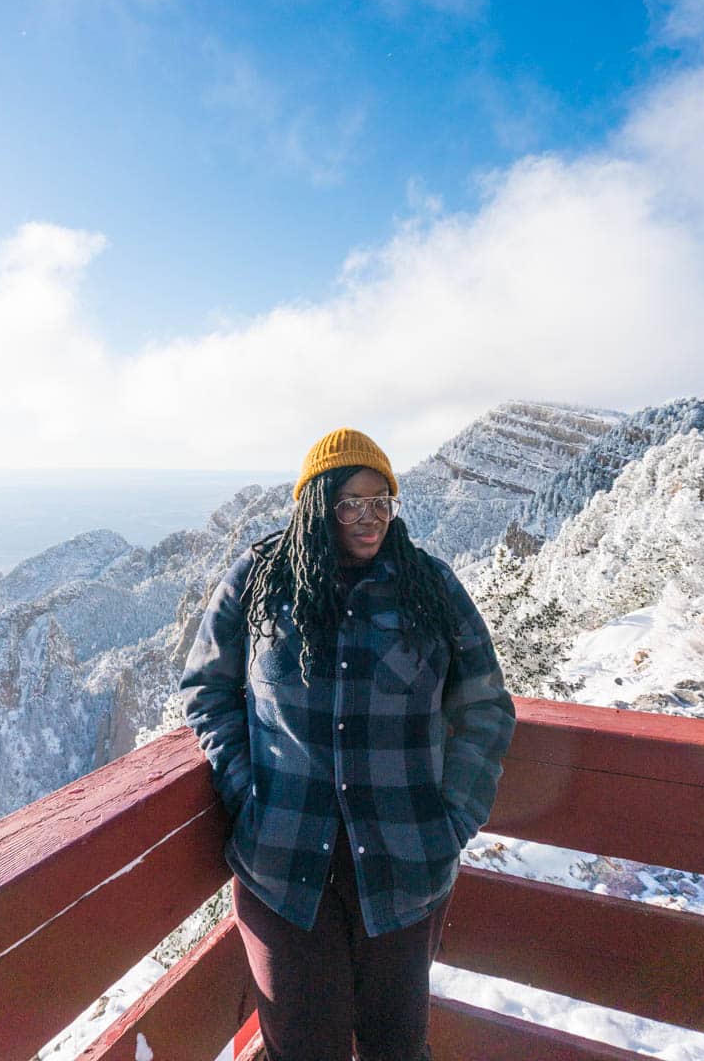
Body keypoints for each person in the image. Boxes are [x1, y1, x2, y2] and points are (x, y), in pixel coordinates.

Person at [180, 428, 516, 1061]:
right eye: (349, 504)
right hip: (282, 868)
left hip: (403, 866)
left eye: (381, 503)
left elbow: (486, 708)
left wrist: (455, 819)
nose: (368, 519)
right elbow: (207, 689)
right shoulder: (259, 582)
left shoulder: (430, 588)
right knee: (303, 1049)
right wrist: (244, 790)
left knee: (396, 1048)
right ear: (315, 506)